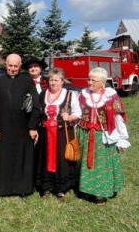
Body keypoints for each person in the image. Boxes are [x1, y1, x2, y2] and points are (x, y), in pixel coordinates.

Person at [77, 67, 130, 204]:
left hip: (103, 137)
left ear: (102, 82)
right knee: (84, 163)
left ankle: (101, 193)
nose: (89, 82)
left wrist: (123, 138)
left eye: (93, 80)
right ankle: (86, 189)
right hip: (85, 134)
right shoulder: (83, 95)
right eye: (88, 79)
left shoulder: (111, 96)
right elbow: (76, 113)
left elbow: (119, 118)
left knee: (102, 165)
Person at [0, 53, 40, 197]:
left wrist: (32, 127)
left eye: (15, 66)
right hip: (3, 128)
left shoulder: (27, 81)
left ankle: (21, 188)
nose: (12, 69)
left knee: (21, 158)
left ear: (20, 66)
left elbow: (35, 104)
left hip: (23, 128)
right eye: (10, 65)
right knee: (4, 158)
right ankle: (4, 188)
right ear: (6, 65)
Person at [36, 67, 82, 201]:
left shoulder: (70, 95)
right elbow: (38, 113)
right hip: (45, 133)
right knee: (45, 159)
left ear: (62, 81)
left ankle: (61, 189)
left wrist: (70, 117)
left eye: (56, 80)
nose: (53, 83)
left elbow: (78, 113)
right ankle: (46, 187)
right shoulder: (43, 94)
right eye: (51, 80)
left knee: (61, 160)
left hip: (62, 133)